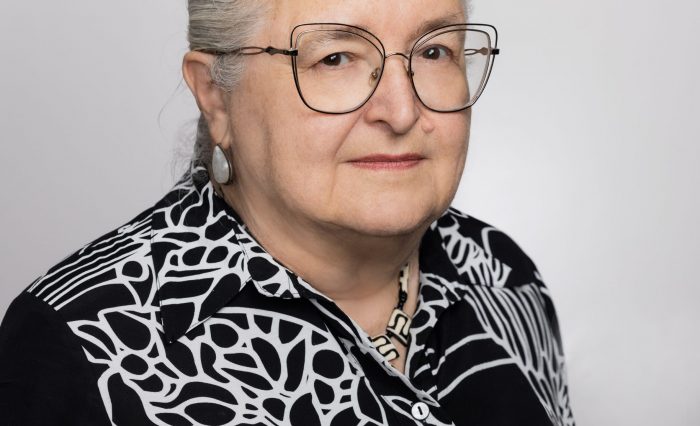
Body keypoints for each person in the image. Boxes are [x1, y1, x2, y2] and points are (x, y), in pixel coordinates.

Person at [0, 0, 575, 425]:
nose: (401, 111)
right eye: (335, 58)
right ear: (215, 95)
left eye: (433, 51)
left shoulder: (503, 275)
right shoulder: (78, 344)